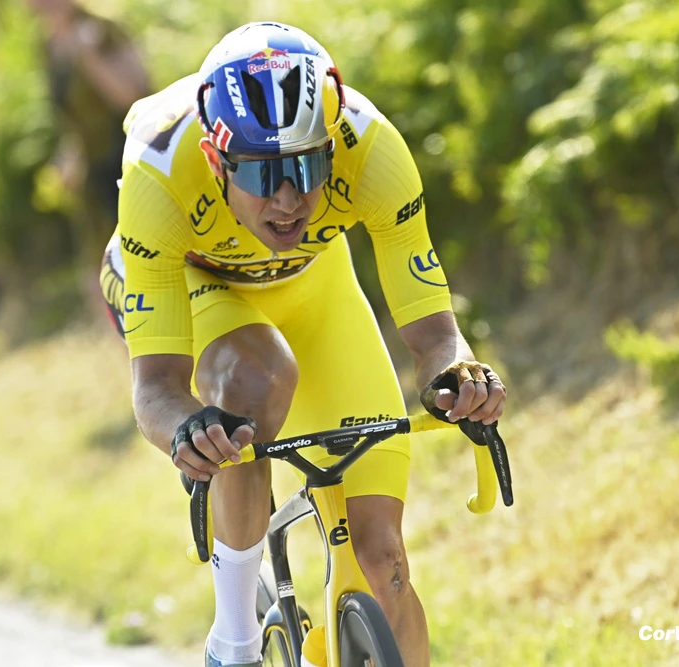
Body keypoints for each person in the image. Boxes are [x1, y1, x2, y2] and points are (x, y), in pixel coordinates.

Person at [100, 22, 506, 667]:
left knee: (384, 563)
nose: (290, 200)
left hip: (316, 288)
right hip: (195, 282)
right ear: (215, 160)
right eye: (264, 176)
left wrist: (459, 374)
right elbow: (156, 391)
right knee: (255, 378)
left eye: (308, 166)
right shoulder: (159, 175)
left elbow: (434, 331)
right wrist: (190, 428)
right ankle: (232, 640)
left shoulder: (371, 148)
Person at [27, 0, 151, 266]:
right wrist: (68, 156)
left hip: (135, 161)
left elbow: (133, 95)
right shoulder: (47, 46)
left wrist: (88, 57)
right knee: (105, 273)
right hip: (96, 177)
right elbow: (73, 118)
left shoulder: (102, 30)